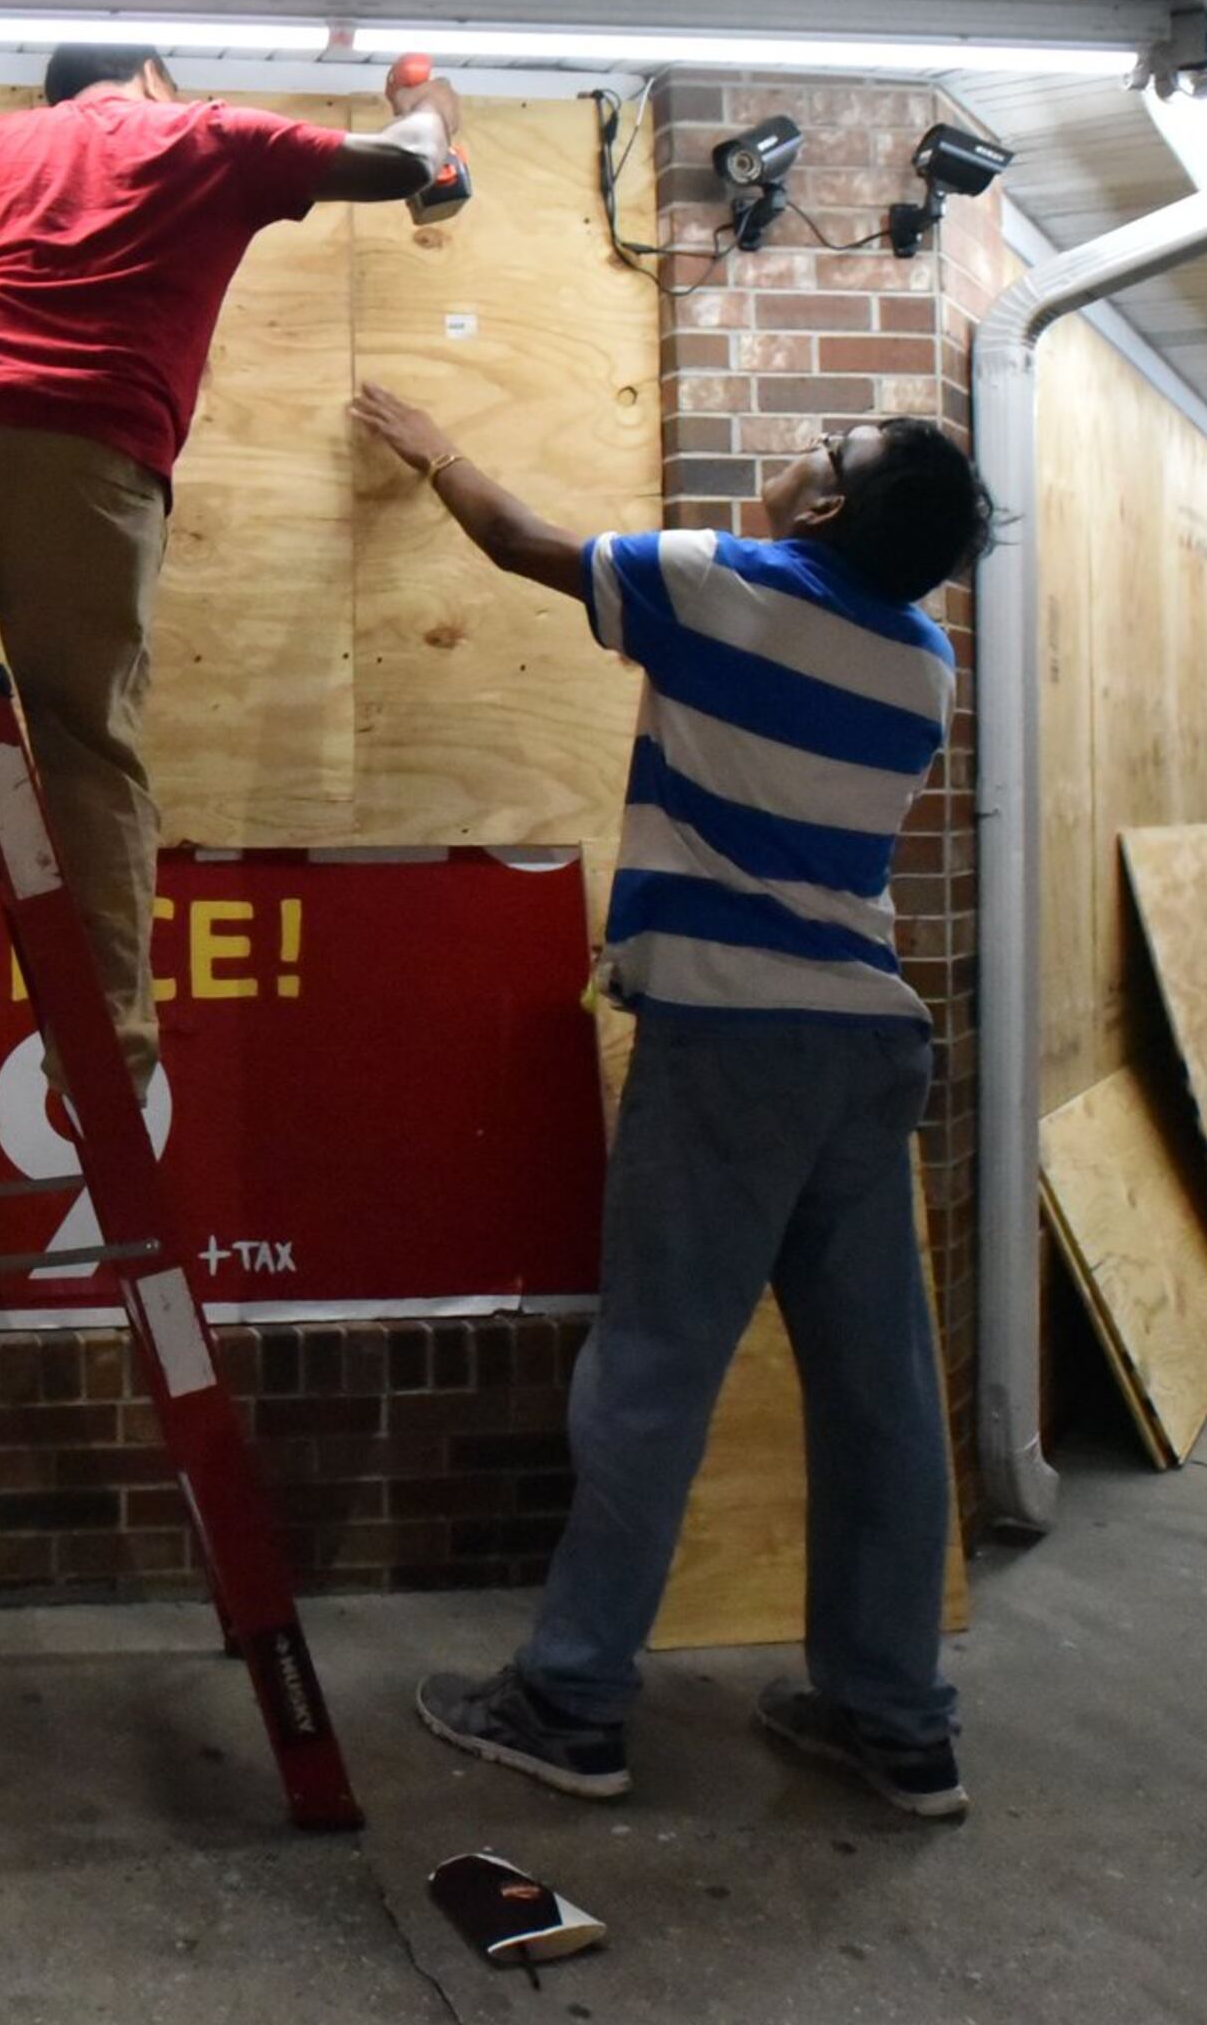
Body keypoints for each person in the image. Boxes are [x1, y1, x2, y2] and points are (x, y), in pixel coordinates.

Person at [349, 383, 995, 1819]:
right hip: (864, 1049)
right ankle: (896, 1723)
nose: (798, 452)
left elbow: (525, 545)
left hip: (731, 1045)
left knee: (652, 1371)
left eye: (826, 451)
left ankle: (571, 1703)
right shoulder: (924, 663)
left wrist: (431, 447)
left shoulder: (721, 584)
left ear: (825, 504)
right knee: (880, 1392)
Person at [0, 45, 461, 1090]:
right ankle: (109, 1050)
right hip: (103, 468)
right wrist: (425, 103)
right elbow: (403, 166)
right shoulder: (211, 134)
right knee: (89, 752)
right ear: (149, 75)